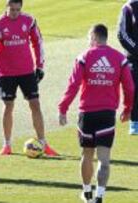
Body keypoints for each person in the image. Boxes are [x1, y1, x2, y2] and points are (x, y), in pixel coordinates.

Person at [58, 24, 134, 203]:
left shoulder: (84, 57)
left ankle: (87, 192)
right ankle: (100, 195)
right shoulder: (119, 58)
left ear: (93, 37)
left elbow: (73, 85)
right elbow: (129, 87)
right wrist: (127, 108)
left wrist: (63, 108)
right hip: (107, 114)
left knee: (87, 155)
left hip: (87, 114)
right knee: (104, 158)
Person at [0, 0, 58, 156]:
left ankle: (43, 143)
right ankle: (6, 145)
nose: (14, 13)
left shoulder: (29, 21)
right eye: (12, 9)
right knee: (8, 106)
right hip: (6, 74)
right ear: (6, 7)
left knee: (35, 104)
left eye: (17, 10)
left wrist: (39, 66)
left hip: (26, 71)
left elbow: (38, 42)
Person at [117, 0, 138, 135]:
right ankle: (135, 122)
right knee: (135, 88)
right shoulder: (130, 7)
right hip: (134, 58)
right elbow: (122, 34)